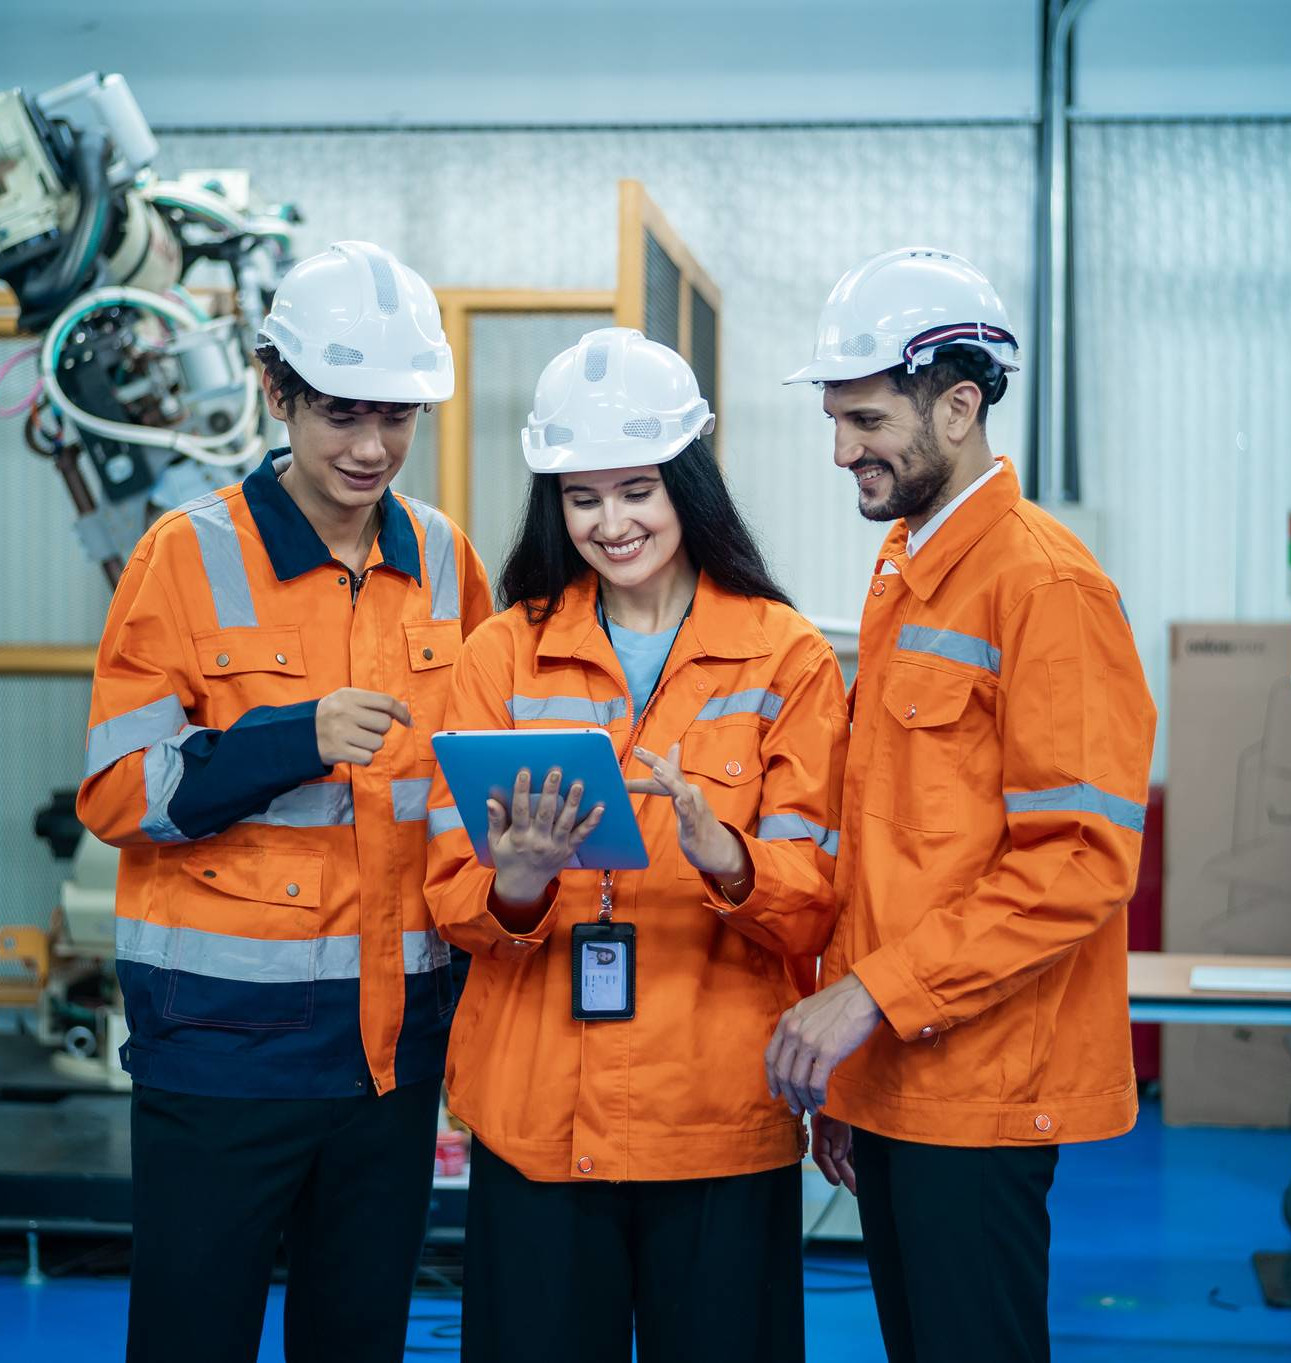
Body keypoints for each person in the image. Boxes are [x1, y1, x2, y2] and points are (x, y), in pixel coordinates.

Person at [77, 240, 492, 1363]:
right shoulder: (183, 557)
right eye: (341, 415)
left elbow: (467, 777)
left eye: (396, 418)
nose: (371, 449)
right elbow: (119, 788)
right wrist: (285, 739)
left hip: (391, 1054)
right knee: (190, 1337)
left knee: (356, 1340)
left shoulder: (448, 562)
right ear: (276, 390)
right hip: (219, 1052)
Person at [424, 326, 847, 1363]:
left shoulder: (782, 654)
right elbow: (448, 890)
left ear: (687, 485)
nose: (611, 523)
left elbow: (819, 900)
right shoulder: (501, 653)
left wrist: (726, 855)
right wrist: (516, 881)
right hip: (537, 1119)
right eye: (582, 497)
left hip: (716, 1116)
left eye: (636, 489)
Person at [767, 247, 1157, 1363]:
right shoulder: (906, 568)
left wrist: (863, 1003)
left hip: (981, 1092)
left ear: (958, 404)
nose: (842, 450)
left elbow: (1075, 860)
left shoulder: (1045, 585)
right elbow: (892, 844)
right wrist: (856, 1053)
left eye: (867, 419)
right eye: (834, 420)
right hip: (899, 1069)